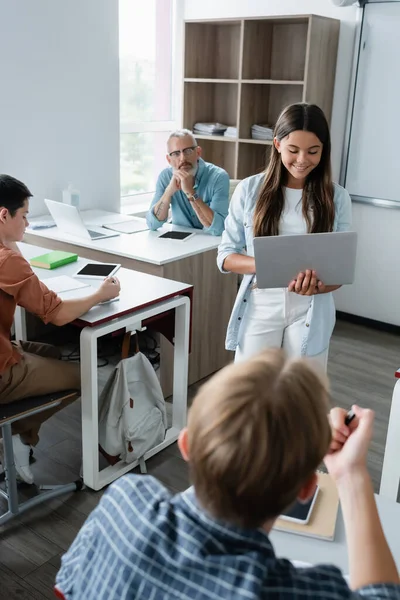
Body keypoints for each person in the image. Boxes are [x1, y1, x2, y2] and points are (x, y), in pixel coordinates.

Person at [55, 349, 400, 600]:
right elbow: (382, 594)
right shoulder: (283, 590)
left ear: (187, 445)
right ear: (307, 488)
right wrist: (350, 475)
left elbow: (66, 583)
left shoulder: (124, 503)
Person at [0, 174, 121, 484]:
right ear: (4, 215)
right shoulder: (7, 261)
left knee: (50, 352)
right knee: (84, 375)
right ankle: (17, 439)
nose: (27, 223)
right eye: (24, 215)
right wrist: (100, 295)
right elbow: (57, 315)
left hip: (5, 347)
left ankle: (17, 437)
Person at [217, 103, 352, 369]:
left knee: (300, 396)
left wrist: (317, 285)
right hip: (260, 304)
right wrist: (271, 266)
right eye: (293, 150)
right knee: (251, 394)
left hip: (310, 309)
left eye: (313, 151)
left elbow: (340, 271)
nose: (302, 160)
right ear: (277, 145)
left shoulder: (337, 197)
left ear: (324, 150)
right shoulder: (249, 190)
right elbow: (225, 256)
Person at [146, 129, 229, 236]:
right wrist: (168, 192)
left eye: (188, 151)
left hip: (210, 244)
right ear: (169, 159)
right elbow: (152, 224)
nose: (183, 158)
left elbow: (218, 229)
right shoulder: (165, 176)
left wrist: (191, 193)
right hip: (180, 243)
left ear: (198, 152)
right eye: (176, 153)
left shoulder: (218, 177)